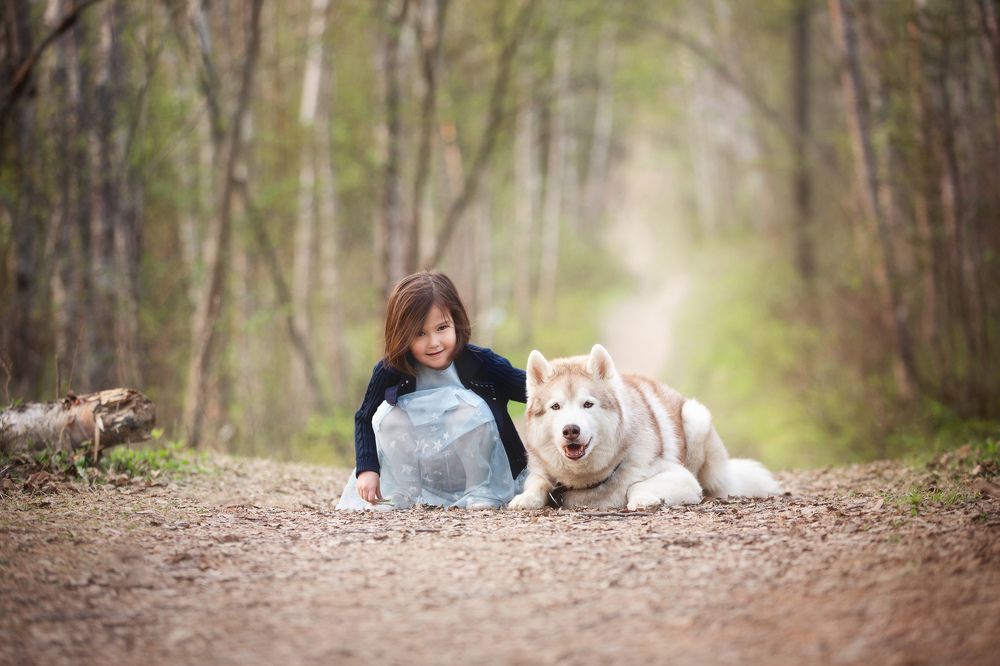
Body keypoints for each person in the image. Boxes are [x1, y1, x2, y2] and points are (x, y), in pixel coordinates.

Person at [336, 271, 528, 510]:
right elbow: (364, 417)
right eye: (420, 333)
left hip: (475, 471)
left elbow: (535, 389)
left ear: (456, 322)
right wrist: (367, 469)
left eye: (442, 328)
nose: (434, 342)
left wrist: (576, 384)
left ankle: (480, 491)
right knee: (391, 418)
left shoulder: (480, 362)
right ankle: (402, 494)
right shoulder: (390, 370)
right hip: (421, 473)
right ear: (402, 334)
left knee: (468, 410)